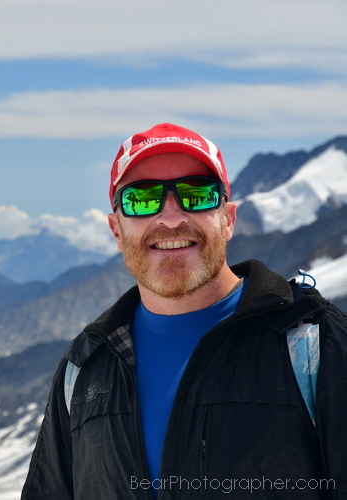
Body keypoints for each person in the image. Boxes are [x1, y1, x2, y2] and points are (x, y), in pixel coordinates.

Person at [21, 123, 347, 499]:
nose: (172, 218)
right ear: (116, 228)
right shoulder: (86, 365)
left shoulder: (313, 345)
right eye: (141, 199)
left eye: (197, 194)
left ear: (228, 219)